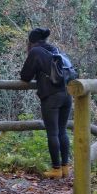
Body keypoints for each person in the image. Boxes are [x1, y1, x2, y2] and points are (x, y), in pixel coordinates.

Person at [20, 27, 73, 179]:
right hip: (67, 94)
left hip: (51, 96)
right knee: (62, 131)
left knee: (53, 133)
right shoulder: (55, 50)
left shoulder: (35, 52)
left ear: (31, 41)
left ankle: (56, 169)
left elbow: (25, 76)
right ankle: (65, 168)